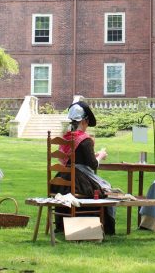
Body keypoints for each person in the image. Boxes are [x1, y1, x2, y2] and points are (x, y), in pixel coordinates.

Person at [51, 98, 115, 234]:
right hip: (78, 181)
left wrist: (94, 154)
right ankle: (103, 227)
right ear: (84, 121)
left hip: (62, 181)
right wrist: (101, 156)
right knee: (105, 189)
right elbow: (93, 164)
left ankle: (61, 226)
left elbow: (72, 158)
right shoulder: (85, 140)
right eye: (87, 123)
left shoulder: (66, 137)